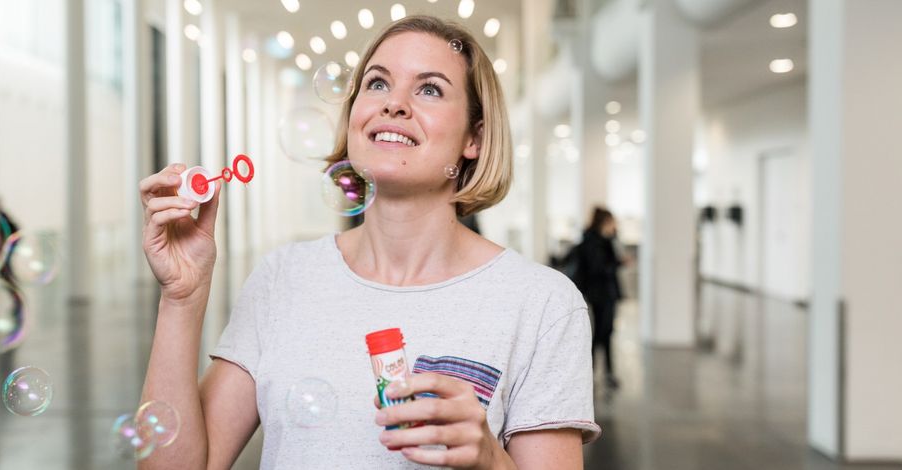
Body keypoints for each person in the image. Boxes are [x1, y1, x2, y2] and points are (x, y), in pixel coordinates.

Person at [137, 16, 599, 469]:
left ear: (474, 138)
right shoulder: (283, 279)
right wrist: (183, 298)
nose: (394, 104)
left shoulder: (542, 305)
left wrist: (489, 461)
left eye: (430, 89)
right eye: (377, 83)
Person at [571, 207, 623, 390]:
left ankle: (604, 373)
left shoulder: (603, 240)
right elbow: (599, 268)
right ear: (604, 222)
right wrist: (618, 262)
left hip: (604, 293)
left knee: (605, 333)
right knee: (602, 333)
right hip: (600, 293)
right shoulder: (594, 242)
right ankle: (595, 372)